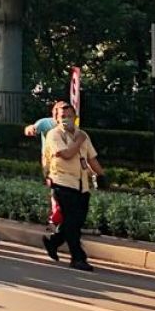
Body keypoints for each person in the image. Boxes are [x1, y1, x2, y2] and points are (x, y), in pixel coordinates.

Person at [42, 102, 103, 271]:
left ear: (75, 117)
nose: (66, 119)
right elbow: (67, 154)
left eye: (70, 116)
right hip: (62, 181)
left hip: (82, 184)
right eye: (62, 116)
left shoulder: (82, 135)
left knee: (75, 222)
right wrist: (78, 140)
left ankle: (53, 242)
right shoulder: (54, 135)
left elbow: (91, 158)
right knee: (72, 221)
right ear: (56, 119)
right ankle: (78, 257)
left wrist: (102, 175)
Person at [26, 101, 65, 233]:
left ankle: (58, 219)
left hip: (66, 162)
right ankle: (55, 219)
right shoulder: (46, 123)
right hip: (49, 162)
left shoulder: (70, 126)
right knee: (56, 190)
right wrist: (30, 129)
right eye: (60, 112)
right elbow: (31, 129)